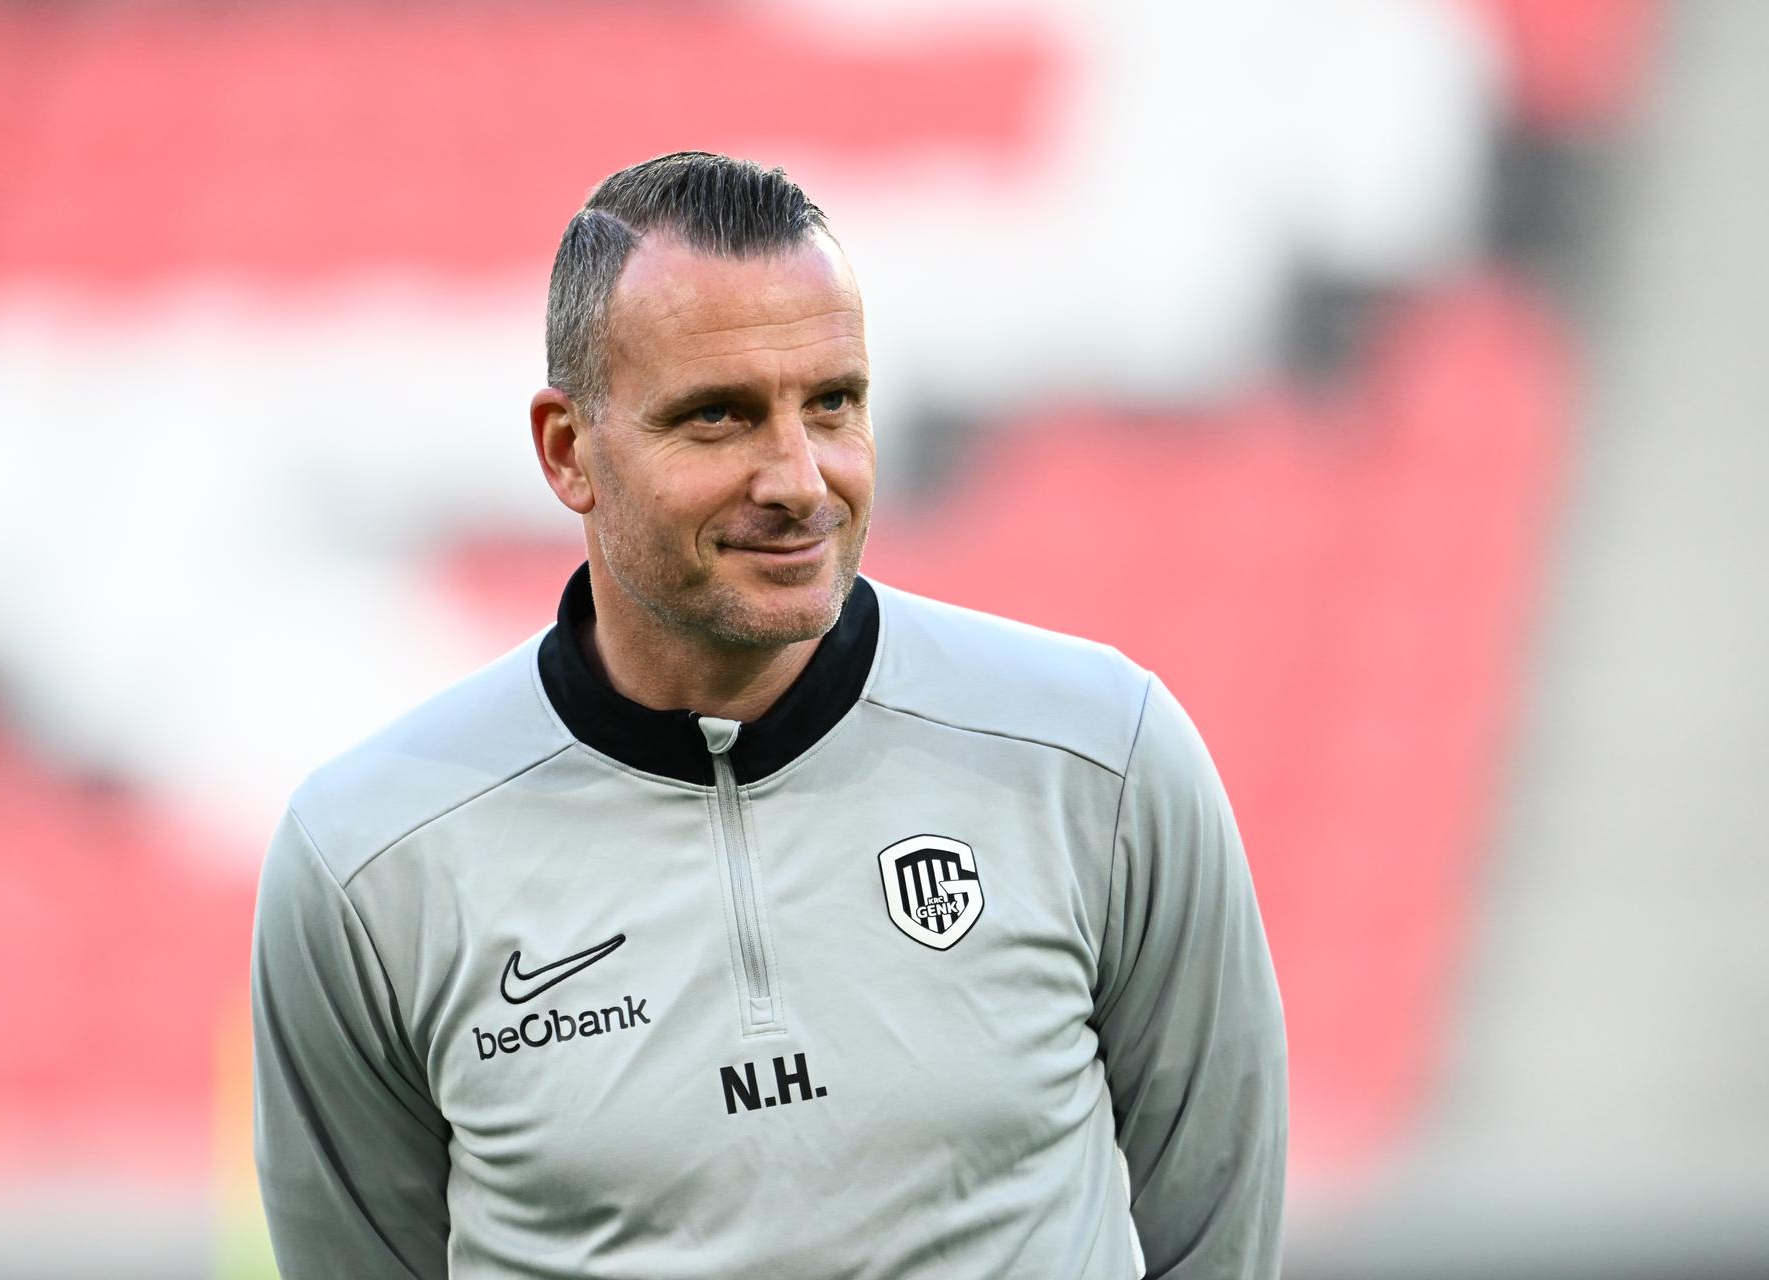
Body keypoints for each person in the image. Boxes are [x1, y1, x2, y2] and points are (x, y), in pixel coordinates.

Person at [251, 151, 1287, 1279]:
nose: (799, 476)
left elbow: (1219, 1242)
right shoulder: (370, 858)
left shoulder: (1100, 758)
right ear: (568, 451)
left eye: (832, 402)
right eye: (719, 417)